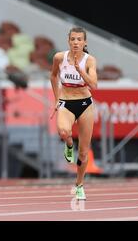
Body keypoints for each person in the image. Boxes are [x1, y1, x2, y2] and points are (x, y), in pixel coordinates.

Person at [50, 26, 98, 200]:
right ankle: (69, 144)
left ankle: (79, 185)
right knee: (63, 131)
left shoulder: (90, 60)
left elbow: (94, 84)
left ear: (84, 42)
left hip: (85, 104)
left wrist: (80, 71)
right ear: (68, 41)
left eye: (79, 39)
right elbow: (53, 76)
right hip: (66, 102)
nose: (76, 42)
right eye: (73, 39)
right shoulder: (59, 57)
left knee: (84, 153)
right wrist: (57, 98)